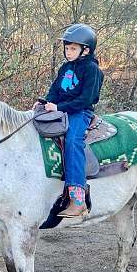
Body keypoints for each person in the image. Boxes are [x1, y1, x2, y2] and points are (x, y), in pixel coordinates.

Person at [33, 23, 104, 217]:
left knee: (73, 141)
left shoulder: (92, 70)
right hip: (61, 110)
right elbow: (55, 90)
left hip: (80, 112)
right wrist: (46, 103)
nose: (68, 52)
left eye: (73, 48)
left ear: (86, 50)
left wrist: (59, 107)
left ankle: (78, 198)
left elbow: (85, 99)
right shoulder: (65, 67)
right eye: (67, 48)